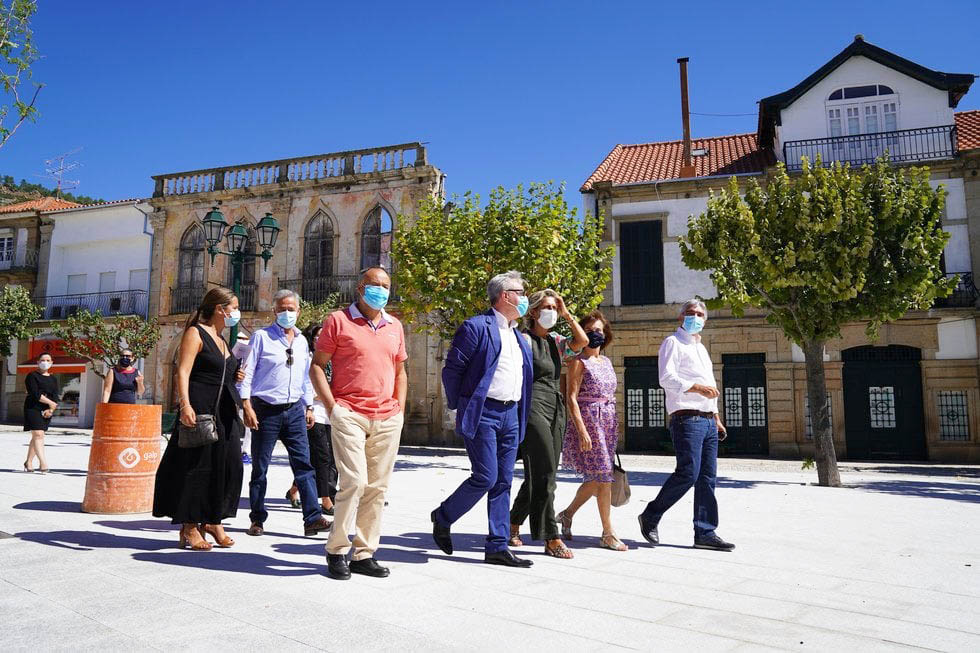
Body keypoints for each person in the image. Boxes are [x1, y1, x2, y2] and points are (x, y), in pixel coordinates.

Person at [432, 271, 535, 568]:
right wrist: (459, 406)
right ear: (505, 295)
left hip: (511, 415)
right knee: (486, 476)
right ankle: (443, 516)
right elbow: (452, 371)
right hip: (484, 413)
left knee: (503, 481)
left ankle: (497, 546)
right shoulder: (476, 327)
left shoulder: (519, 337)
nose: (525, 296)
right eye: (521, 291)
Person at [310, 266, 407, 580]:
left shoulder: (395, 326)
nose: (380, 289)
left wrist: (400, 410)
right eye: (374, 284)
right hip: (349, 412)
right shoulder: (338, 321)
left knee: (377, 488)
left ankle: (364, 554)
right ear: (360, 288)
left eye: (386, 285)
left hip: (387, 417)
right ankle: (336, 550)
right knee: (353, 483)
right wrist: (333, 408)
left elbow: (401, 372)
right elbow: (317, 366)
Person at [152, 287, 245, 550]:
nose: (236, 313)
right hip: (201, 407)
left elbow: (221, 373)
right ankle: (190, 527)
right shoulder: (196, 333)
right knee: (198, 467)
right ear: (220, 309)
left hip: (225, 411)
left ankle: (214, 519)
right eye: (234, 307)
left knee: (229, 466)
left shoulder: (222, 338)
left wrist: (234, 375)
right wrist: (185, 405)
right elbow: (182, 371)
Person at [638, 299, 735, 551]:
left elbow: (710, 383)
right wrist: (697, 388)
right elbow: (666, 377)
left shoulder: (701, 349)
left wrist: (715, 416)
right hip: (686, 417)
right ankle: (651, 514)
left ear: (706, 320)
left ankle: (705, 531)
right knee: (688, 473)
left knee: (707, 478)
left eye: (699, 314)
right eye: (690, 313)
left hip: (707, 419)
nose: (695, 316)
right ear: (681, 317)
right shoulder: (673, 342)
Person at [240, 289, 331, 538]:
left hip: (294, 411)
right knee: (260, 468)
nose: (287, 313)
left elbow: (303, 377)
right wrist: (246, 405)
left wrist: (309, 407)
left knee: (304, 465)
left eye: (291, 309)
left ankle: (312, 518)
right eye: (282, 309)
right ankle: (257, 518)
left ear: (298, 311)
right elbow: (247, 373)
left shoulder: (302, 341)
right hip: (265, 410)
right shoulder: (261, 337)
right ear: (274, 311)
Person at [508, 289, 588, 559]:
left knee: (543, 473)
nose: (551, 312)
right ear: (532, 312)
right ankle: (550, 536)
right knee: (545, 475)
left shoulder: (556, 341)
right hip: (532, 406)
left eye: (554, 308)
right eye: (546, 307)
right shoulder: (522, 340)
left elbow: (583, 341)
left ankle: (512, 521)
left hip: (556, 406)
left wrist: (566, 314)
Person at [556, 310, 628, 551]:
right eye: (589, 331)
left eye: (598, 330)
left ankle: (567, 514)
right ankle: (608, 533)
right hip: (589, 421)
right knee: (604, 478)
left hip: (607, 422)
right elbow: (572, 398)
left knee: (598, 479)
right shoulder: (577, 361)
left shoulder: (606, 361)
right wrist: (582, 430)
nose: (594, 334)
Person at [284, 324, 338, 516]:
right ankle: (326, 500)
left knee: (328, 458)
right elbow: (304, 387)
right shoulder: (306, 358)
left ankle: (293, 490)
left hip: (332, 412)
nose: (321, 340)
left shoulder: (332, 360)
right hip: (313, 413)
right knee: (322, 457)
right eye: (317, 337)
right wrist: (320, 396)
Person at [23, 353, 59, 473]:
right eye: (42, 360)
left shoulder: (53, 378)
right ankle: (43, 463)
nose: (45, 362)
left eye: (48, 360)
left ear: (52, 362)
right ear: (38, 362)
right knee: (38, 434)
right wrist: (51, 403)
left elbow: (55, 396)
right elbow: (35, 393)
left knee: (38, 436)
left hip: (47, 409)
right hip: (33, 407)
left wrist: (51, 409)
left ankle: (28, 462)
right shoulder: (32, 376)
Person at [231, 332, 253, 465]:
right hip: (232, 395)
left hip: (245, 397)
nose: (242, 342)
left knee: (248, 427)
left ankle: (246, 451)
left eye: (245, 339)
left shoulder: (251, 356)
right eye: (239, 339)